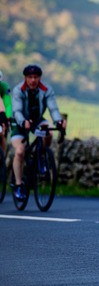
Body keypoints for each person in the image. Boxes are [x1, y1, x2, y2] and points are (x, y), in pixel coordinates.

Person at [9, 64, 65, 201]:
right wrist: (23, 122)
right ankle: (18, 185)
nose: (33, 80)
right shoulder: (18, 90)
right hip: (19, 121)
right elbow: (16, 111)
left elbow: (53, 109)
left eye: (35, 77)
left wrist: (58, 121)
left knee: (49, 132)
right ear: (25, 78)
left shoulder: (46, 90)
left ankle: (41, 154)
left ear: (40, 78)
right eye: (30, 77)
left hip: (37, 119)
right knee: (20, 152)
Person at [0, 69, 12, 157]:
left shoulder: (4, 86)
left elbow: (7, 104)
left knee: (2, 133)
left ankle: (2, 159)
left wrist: (8, 117)